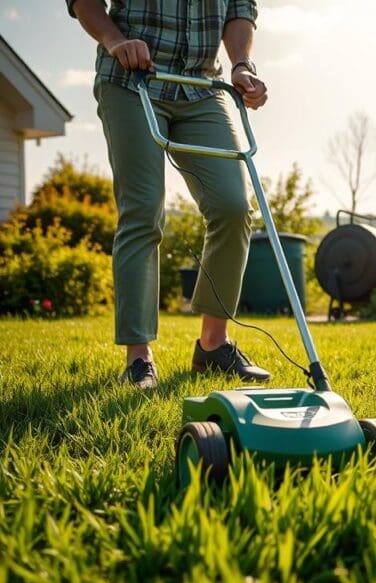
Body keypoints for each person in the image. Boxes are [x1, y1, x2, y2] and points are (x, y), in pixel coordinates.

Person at [68, 0, 272, 390]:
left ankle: (214, 345)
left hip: (202, 89)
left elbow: (239, 10)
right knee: (143, 212)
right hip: (131, 80)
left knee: (233, 207)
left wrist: (242, 64)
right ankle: (139, 358)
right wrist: (116, 41)